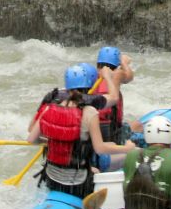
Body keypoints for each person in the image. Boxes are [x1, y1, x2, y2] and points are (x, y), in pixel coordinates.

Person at [28, 64, 136, 197]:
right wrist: (127, 148)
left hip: (51, 177)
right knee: (127, 157)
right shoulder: (89, 112)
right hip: (78, 183)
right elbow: (100, 149)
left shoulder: (49, 108)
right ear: (90, 85)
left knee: (100, 159)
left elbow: (31, 139)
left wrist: (54, 139)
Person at [92, 46, 136, 151]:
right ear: (117, 64)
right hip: (111, 129)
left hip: (94, 126)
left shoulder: (91, 75)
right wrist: (124, 63)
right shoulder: (117, 74)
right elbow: (129, 76)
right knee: (137, 126)